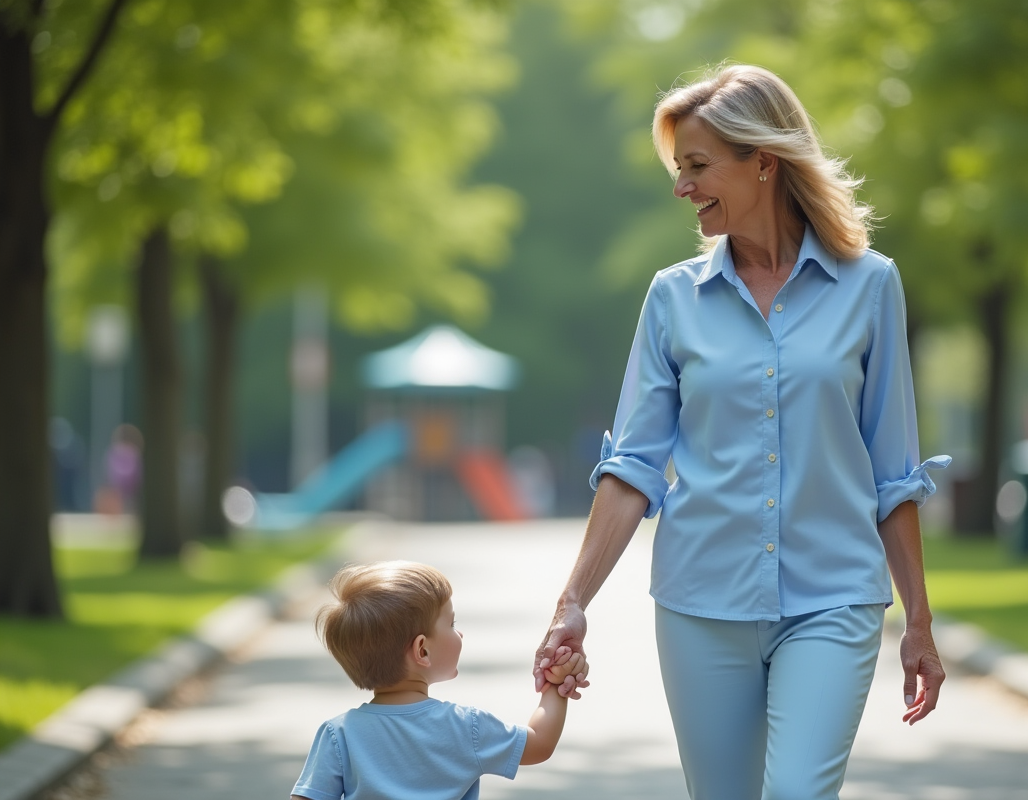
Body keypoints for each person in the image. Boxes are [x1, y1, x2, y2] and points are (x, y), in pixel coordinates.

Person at [533, 63, 952, 800]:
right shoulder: (673, 299)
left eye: (697, 166)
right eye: (678, 168)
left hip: (834, 597)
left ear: (764, 161)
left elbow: (894, 472)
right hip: (701, 603)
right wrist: (573, 602)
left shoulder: (871, 285)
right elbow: (633, 467)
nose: (681, 187)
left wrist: (918, 620)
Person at [292, 561, 587, 800]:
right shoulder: (466, 726)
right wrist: (555, 686)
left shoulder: (338, 734)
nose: (459, 634)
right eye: (452, 623)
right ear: (422, 650)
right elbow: (539, 744)